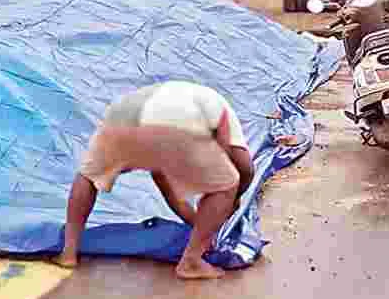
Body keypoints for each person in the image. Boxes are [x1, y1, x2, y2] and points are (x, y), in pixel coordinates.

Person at [54, 80, 255, 280]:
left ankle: (69, 253)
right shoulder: (221, 112)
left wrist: (199, 226)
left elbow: (171, 193)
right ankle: (191, 262)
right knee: (228, 184)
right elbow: (246, 167)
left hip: (121, 115)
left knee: (88, 176)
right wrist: (233, 198)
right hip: (180, 118)